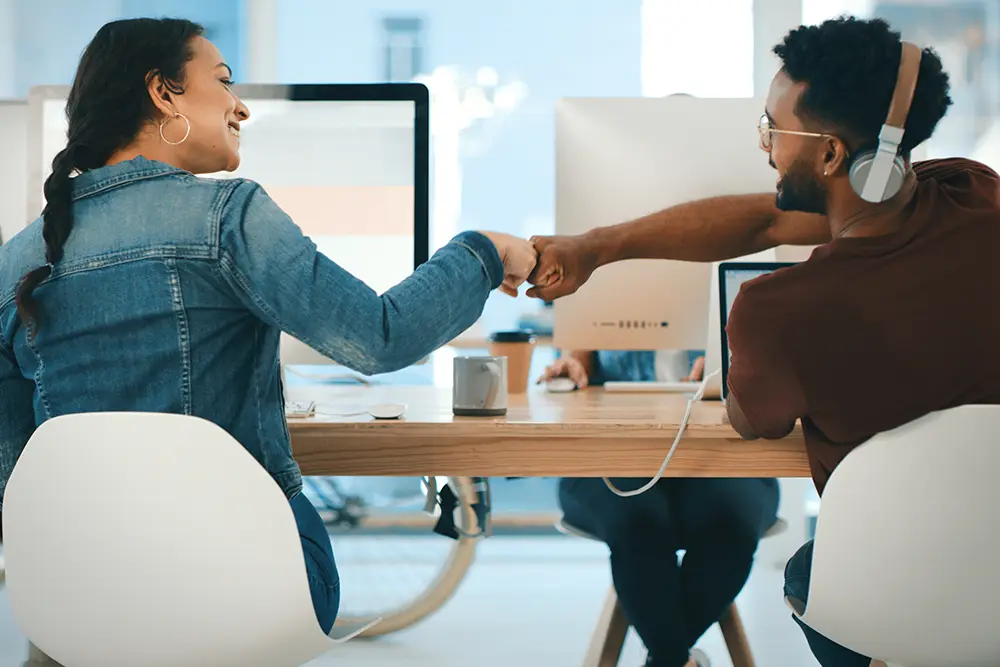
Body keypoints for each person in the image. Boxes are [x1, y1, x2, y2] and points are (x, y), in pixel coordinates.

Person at [0, 18, 537, 637]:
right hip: (241, 589)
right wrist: (483, 253)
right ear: (163, 92)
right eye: (224, 81)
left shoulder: (17, 263)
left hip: (77, 603)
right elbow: (379, 336)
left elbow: (18, 481)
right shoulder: (228, 215)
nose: (241, 106)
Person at [525, 16, 1000, 667]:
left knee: (817, 570)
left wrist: (736, 368)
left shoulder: (778, 313)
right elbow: (769, 217)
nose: (763, 145)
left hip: (894, 598)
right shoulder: (976, 194)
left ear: (832, 156)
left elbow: (751, 419)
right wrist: (599, 247)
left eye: (773, 130)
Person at [542, 350, 778, 667]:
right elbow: (582, 349)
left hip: (717, 448)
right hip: (614, 447)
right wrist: (573, 364)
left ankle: (668, 658)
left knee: (730, 519)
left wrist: (732, 361)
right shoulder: (592, 298)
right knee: (638, 520)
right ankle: (676, 659)